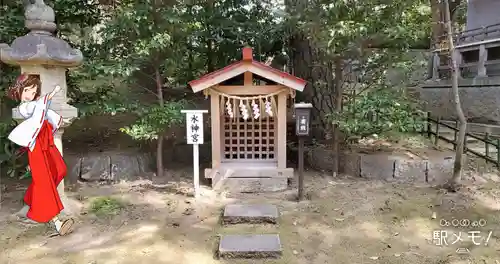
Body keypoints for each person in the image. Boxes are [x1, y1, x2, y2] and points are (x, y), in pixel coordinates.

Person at [7, 74, 74, 236]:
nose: (30, 93)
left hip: (47, 142)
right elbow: (38, 108)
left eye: (33, 90)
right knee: (45, 183)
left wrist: (57, 116)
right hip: (36, 146)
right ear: (20, 90)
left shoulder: (36, 103)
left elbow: (44, 110)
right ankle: (57, 222)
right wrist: (49, 96)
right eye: (27, 90)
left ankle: (32, 198)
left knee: (59, 170)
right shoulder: (25, 107)